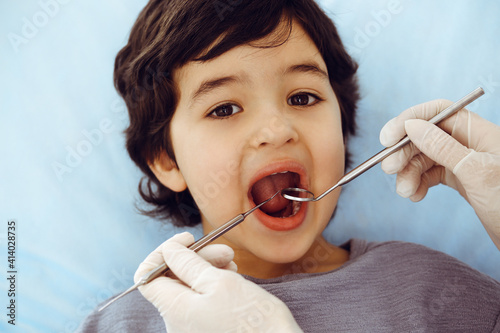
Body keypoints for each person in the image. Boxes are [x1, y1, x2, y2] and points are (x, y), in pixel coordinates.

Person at [77, 0, 500, 332]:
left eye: (302, 98)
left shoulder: (429, 288)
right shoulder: (123, 323)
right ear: (166, 159)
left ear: (342, 125)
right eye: (224, 108)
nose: (276, 130)